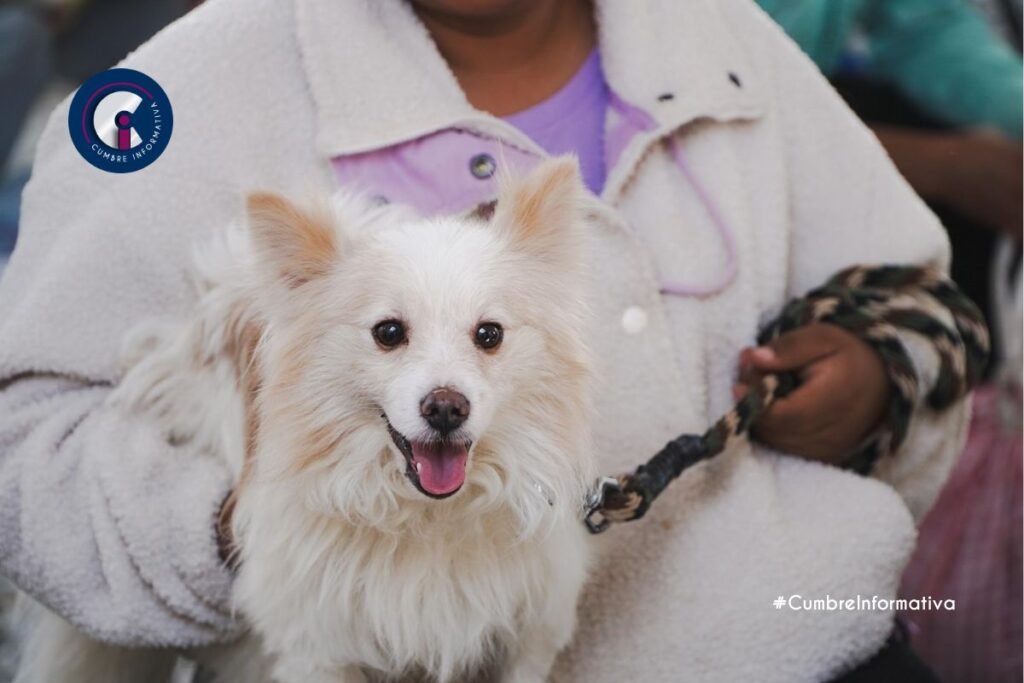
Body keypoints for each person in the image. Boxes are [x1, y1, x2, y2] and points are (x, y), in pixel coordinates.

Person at [0, 0, 976, 680]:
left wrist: (876, 369)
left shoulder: (717, 33)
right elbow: (29, 431)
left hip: (789, 631)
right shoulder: (183, 88)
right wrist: (249, 534)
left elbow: (911, 293)